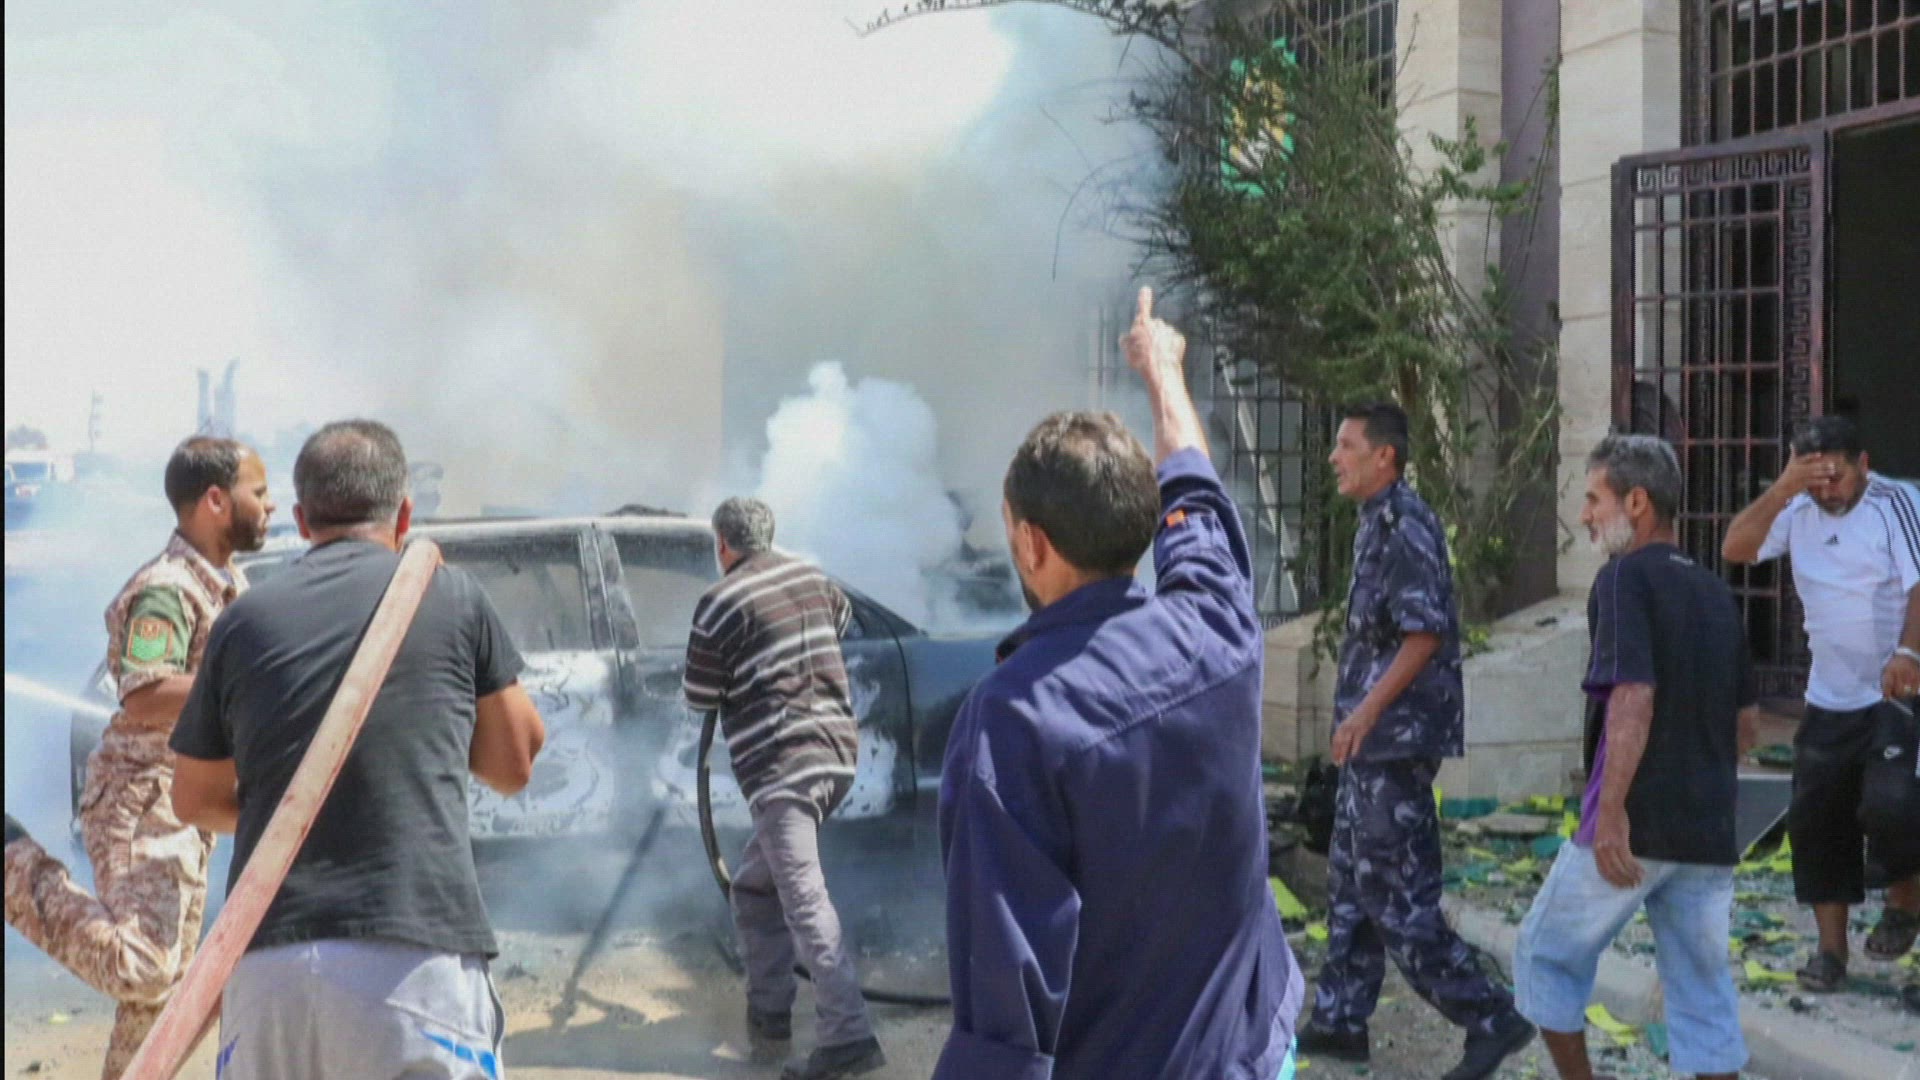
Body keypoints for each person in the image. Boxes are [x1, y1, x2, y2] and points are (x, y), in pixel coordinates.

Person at [934, 287, 1302, 1079]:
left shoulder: (1012, 719)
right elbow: (1193, 483)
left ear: (1032, 544)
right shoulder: (1218, 623)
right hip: (1254, 1052)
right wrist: (1163, 370)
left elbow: (1007, 1009)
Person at [169, 419, 546, 1080]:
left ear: (301, 520)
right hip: (414, 961)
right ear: (404, 514)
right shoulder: (452, 596)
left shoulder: (243, 620)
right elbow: (516, 764)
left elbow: (193, 797)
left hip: (269, 966)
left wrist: (296, 811)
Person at [4, 436, 273, 1080]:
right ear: (215, 500)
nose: (269, 506)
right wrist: (248, 685)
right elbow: (145, 692)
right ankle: (11, 861)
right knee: (145, 968)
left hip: (184, 804)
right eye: (259, 492)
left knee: (167, 993)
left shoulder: (228, 584)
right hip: (139, 798)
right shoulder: (166, 588)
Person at [1296, 402, 1535, 1080]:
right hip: (1371, 743)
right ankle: (1340, 1020)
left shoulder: (1405, 525)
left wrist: (1365, 714)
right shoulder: (1376, 520)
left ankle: (1491, 1016)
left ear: (1385, 457)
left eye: (1346, 446)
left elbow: (1423, 633)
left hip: (1394, 742)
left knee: (1396, 898)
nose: (1334, 458)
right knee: (1350, 881)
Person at [1513, 434, 1755, 1080]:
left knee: (1543, 956)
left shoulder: (1622, 579)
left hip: (1633, 823)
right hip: (1708, 828)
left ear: (1638, 502)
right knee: (1703, 993)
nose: (1585, 514)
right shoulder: (1716, 593)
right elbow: (1748, 726)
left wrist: (1613, 811)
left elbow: (1633, 694)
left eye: (1595, 499)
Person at [683, 496, 880, 1080]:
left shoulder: (719, 602)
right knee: (754, 888)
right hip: (836, 755)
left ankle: (849, 1036)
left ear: (723, 544)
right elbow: (840, 620)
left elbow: (699, 695)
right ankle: (769, 1021)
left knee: (804, 899)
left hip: (783, 767)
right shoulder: (812, 577)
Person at [1722, 415, 1920, 990]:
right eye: (1815, 480)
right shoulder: (1797, 506)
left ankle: (1904, 905)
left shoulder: (1894, 503)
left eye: (1837, 477)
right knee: (1815, 823)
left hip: (1896, 692)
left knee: (1893, 805)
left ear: (1864, 466)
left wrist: (1909, 651)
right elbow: (1736, 546)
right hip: (1829, 697)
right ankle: (1831, 953)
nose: (1828, 490)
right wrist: (1784, 488)